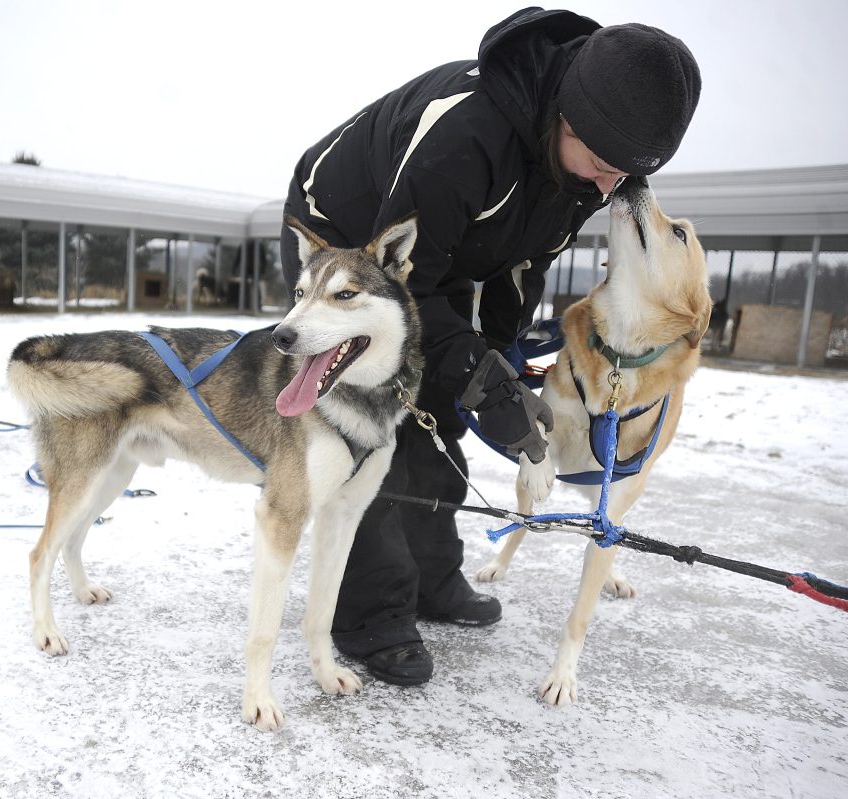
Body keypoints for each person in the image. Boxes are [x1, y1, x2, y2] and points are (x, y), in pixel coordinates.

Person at [279, 7, 701, 685]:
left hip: (439, 251)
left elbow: (524, 264)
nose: (606, 188)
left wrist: (494, 361)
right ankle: (370, 613)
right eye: (601, 166)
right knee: (373, 418)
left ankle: (432, 575)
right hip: (349, 237)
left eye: (621, 176)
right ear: (565, 116)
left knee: (445, 404)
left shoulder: (590, 168)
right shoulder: (465, 137)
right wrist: (477, 371)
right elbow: (405, 288)